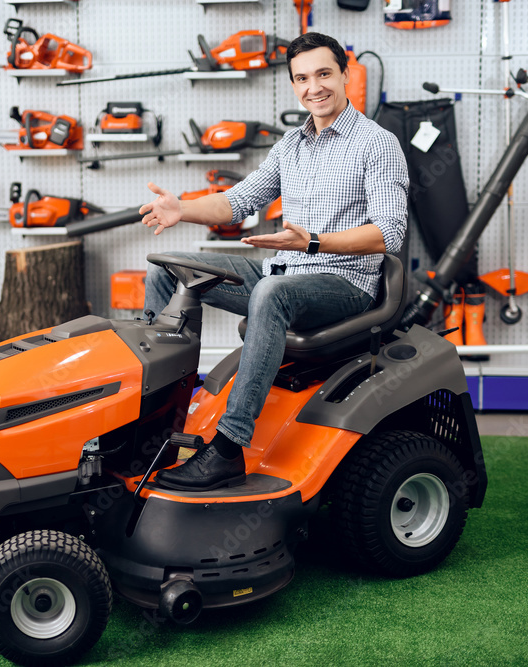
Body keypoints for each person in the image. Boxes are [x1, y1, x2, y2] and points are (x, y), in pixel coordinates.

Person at [139, 32, 409, 492]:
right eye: (302, 78)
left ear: (345, 75)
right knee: (166, 269)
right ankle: (154, 421)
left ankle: (228, 449)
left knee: (271, 292)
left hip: (346, 285)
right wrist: (182, 208)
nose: (314, 87)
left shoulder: (377, 144)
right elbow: (237, 201)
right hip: (284, 273)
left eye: (324, 74)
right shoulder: (291, 145)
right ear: (293, 84)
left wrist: (315, 244)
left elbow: (390, 232)